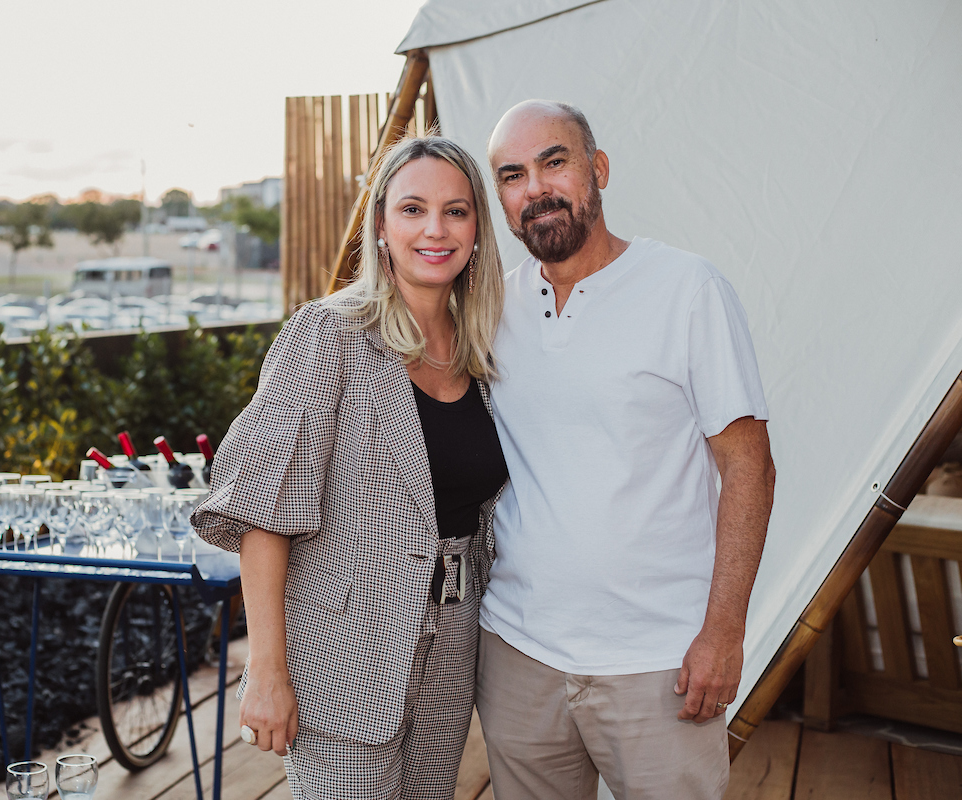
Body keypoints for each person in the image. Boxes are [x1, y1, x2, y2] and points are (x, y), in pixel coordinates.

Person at [192, 134, 508, 799]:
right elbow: (263, 513)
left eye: (456, 211)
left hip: (451, 645)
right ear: (383, 227)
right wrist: (265, 671)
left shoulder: (484, 349)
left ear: (478, 229)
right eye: (413, 209)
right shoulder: (328, 334)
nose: (435, 229)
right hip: (341, 650)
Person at [476, 100, 776, 799]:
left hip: (658, 660)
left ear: (598, 169)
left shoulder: (687, 289)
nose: (536, 187)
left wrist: (722, 634)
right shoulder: (490, 305)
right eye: (512, 174)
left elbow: (749, 467)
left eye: (555, 161)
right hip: (518, 653)